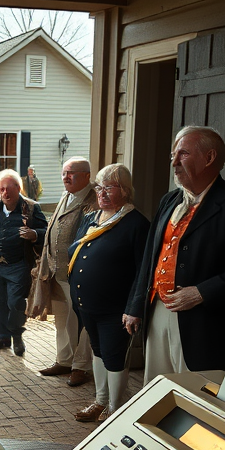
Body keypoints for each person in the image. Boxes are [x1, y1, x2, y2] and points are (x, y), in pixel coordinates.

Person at [123, 126, 225, 381]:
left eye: (183, 154)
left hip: (205, 320)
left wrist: (202, 293)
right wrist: (136, 305)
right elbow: (150, 258)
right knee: (156, 386)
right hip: (158, 309)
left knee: (197, 390)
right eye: (173, 156)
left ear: (210, 158)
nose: (174, 163)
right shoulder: (169, 200)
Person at [67, 164, 150, 422]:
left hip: (116, 308)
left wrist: (134, 308)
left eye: (109, 188)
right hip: (88, 304)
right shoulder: (93, 218)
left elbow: (142, 271)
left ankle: (115, 409)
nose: (101, 193)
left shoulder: (136, 223)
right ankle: (100, 401)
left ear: (125, 191)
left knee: (114, 357)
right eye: (99, 187)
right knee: (98, 351)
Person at [33, 158, 97, 387]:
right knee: (62, 320)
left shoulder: (94, 199)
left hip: (77, 273)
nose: (66, 177)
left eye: (71, 173)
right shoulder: (66, 195)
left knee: (80, 322)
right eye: (64, 173)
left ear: (87, 176)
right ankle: (64, 360)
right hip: (56, 271)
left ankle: (81, 366)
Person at [0, 169, 47, 357]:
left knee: (16, 302)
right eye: (1, 189)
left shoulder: (32, 208)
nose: (5, 193)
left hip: (19, 265)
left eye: (8, 189)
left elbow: (46, 232)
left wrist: (35, 234)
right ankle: (2, 337)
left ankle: (16, 335)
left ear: (18, 188)